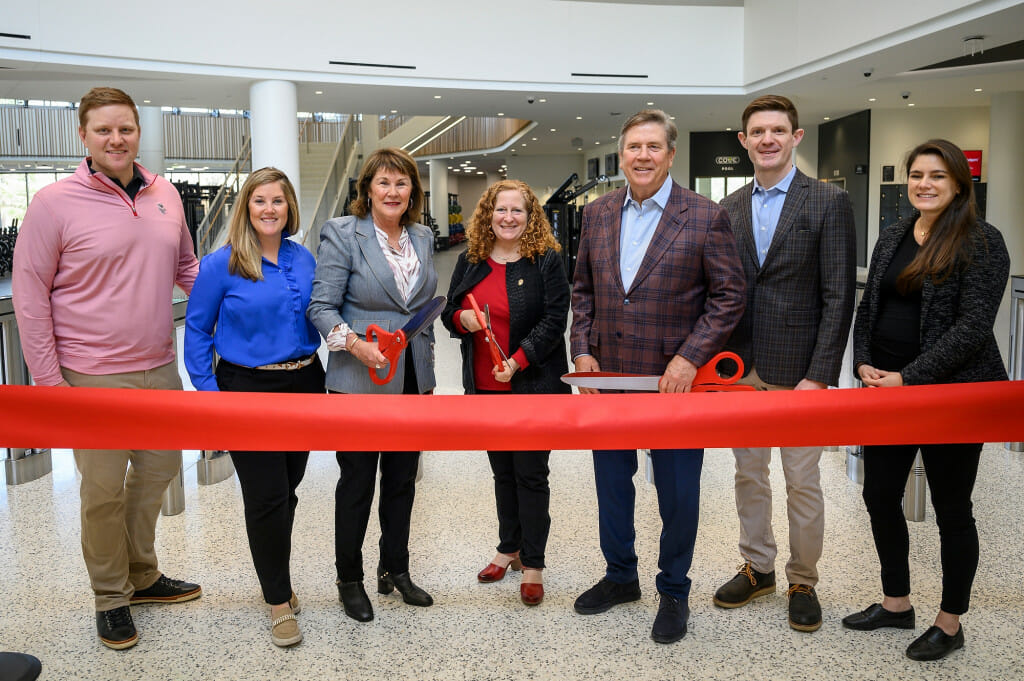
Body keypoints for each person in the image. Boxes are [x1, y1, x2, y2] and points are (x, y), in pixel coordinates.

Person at [12, 86, 201, 650]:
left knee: (160, 471)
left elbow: (187, 268)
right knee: (102, 491)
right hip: (88, 375)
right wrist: (51, 386)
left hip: (159, 365)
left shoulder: (165, 193)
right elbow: (30, 296)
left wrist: (236, 310)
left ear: (138, 132)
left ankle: (142, 574)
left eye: (125, 129)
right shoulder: (53, 204)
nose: (116, 139)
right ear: (84, 137)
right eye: (103, 130)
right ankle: (111, 596)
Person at [570, 109, 745, 643]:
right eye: (633, 147)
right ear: (621, 154)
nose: (641, 156)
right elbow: (583, 291)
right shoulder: (597, 213)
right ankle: (621, 576)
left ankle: (673, 589)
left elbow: (729, 295)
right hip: (610, 379)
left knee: (677, 492)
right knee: (611, 485)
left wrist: (692, 356)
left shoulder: (704, 215)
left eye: (652, 147)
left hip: (676, 383)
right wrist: (582, 352)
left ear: (670, 154)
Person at [843, 139, 1009, 661]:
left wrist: (908, 379)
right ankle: (896, 603)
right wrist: (863, 361)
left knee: (951, 509)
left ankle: (949, 621)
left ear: (959, 183)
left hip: (952, 396)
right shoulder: (894, 233)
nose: (924, 184)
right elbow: (869, 304)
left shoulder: (983, 241)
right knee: (879, 497)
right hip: (887, 393)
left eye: (937, 176)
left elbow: (972, 329)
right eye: (917, 175)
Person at [714, 94, 857, 632]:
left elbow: (838, 295)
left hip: (801, 372)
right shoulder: (727, 207)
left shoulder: (826, 202)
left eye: (778, 130)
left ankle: (803, 578)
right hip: (741, 371)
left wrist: (819, 375)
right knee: (748, 474)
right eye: (758, 131)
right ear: (744, 141)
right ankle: (758, 567)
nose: (768, 139)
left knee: (802, 479)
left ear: (796, 137)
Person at [184, 167, 324, 647]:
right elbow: (198, 331)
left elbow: (323, 316)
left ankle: (275, 575)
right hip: (245, 390)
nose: (269, 209)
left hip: (305, 384)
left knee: (287, 490)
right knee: (265, 498)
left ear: (290, 208)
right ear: (246, 207)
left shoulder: (304, 260)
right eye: (260, 200)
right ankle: (278, 599)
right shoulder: (219, 265)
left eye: (278, 201)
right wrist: (211, 398)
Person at [308, 147, 438, 622]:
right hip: (360, 377)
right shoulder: (343, 233)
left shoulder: (422, 236)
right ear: (367, 189)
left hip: (412, 379)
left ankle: (395, 570)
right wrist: (357, 345)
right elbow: (320, 308)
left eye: (401, 183)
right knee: (357, 483)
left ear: (412, 192)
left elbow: (418, 308)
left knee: (402, 482)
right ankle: (350, 579)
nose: (392, 191)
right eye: (383, 182)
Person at [442, 179, 571, 607]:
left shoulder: (546, 260)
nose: (508, 218)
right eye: (501, 210)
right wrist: (465, 319)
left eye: (518, 210)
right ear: (488, 215)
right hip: (483, 384)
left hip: (532, 383)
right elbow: (449, 313)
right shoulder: (472, 260)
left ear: (530, 216)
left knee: (530, 472)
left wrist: (517, 361)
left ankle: (533, 563)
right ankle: (509, 547)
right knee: (502, 470)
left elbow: (555, 321)